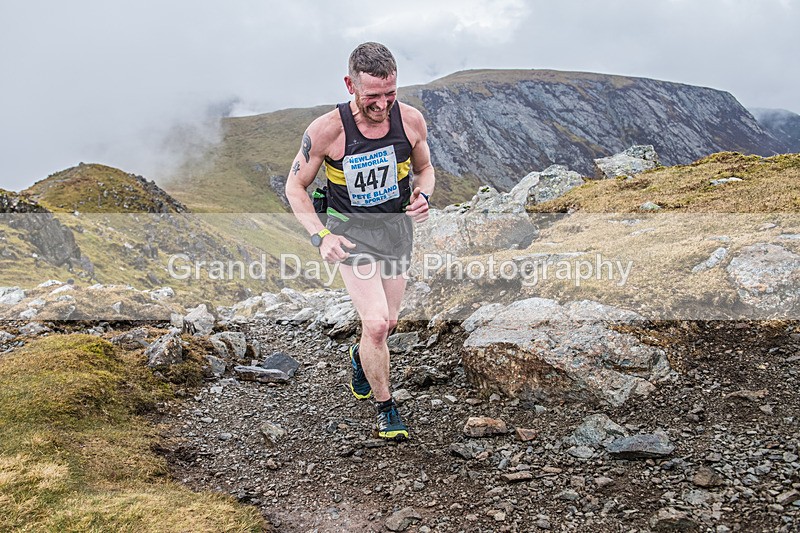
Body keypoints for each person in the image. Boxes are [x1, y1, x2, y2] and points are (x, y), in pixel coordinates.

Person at [285, 42, 434, 440]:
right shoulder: (326, 131)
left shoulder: (411, 121)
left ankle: (359, 355)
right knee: (378, 324)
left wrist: (423, 195)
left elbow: (425, 169)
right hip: (351, 235)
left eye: (390, 94)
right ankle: (387, 407)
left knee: (390, 322)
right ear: (350, 84)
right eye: (372, 96)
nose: (382, 104)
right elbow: (295, 188)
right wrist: (321, 236)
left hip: (396, 231)